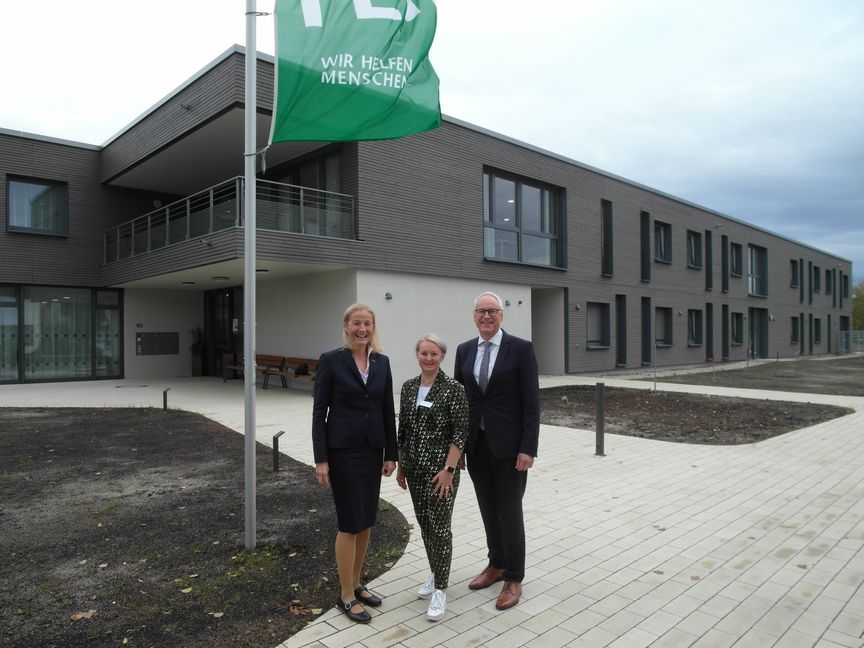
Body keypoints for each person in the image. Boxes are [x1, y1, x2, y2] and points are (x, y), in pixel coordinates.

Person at [453, 291, 540, 611]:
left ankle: (514, 577)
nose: (486, 316)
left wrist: (528, 447)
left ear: (501, 315)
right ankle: (496, 564)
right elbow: (460, 403)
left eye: (492, 311)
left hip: (510, 448)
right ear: (474, 316)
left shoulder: (521, 349)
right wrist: (458, 447)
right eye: (480, 311)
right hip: (477, 445)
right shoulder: (463, 351)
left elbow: (532, 403)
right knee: (488, 509)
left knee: (510, 512)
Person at [312, 303, 397, 624]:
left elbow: (387, 410)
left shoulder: (381, 362)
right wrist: (321, 459)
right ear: (346, 326)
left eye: (368, 324)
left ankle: (357, 582)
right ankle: (345, 594)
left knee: (365, 520)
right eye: (357, 323)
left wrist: (392, 453)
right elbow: (319, 413)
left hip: (372, 450)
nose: (363, 329)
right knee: (349, 522)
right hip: (343, 452)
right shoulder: (331, 361)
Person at [396, 334, 468, 622]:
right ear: (417, 355)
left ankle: (441, 589)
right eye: (424, 353)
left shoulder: (453, 389)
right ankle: (437, 570)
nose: (428, 358)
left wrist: (448, 471)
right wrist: (401, 466)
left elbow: (460, 434)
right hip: (414, 470)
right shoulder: (409, 387)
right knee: (425, 525)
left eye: (434, 354)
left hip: (442, 473)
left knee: (440, 527)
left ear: (442, 357)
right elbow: (403, 431)